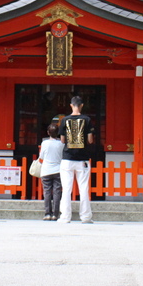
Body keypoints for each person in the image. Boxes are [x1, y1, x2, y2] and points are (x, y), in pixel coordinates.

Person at [57, 96, 94, 224]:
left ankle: (65, 217)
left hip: (67, 158)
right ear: (82, 105)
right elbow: (90, 140)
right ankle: (86, 217)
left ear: (71, 105)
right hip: (82, 158)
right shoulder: (87, 120)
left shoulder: (64, 120)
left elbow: (62, 140)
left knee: (66, 189)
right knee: (83, 188)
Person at [38, 122, 64, 220]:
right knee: (57, 192)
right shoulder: (61, 144)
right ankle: (55, 214)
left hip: (46, 170)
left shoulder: (44, 143)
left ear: (48, 132)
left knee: (47, 192)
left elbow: (42, 157)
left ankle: (47, 213)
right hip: (58, 170)